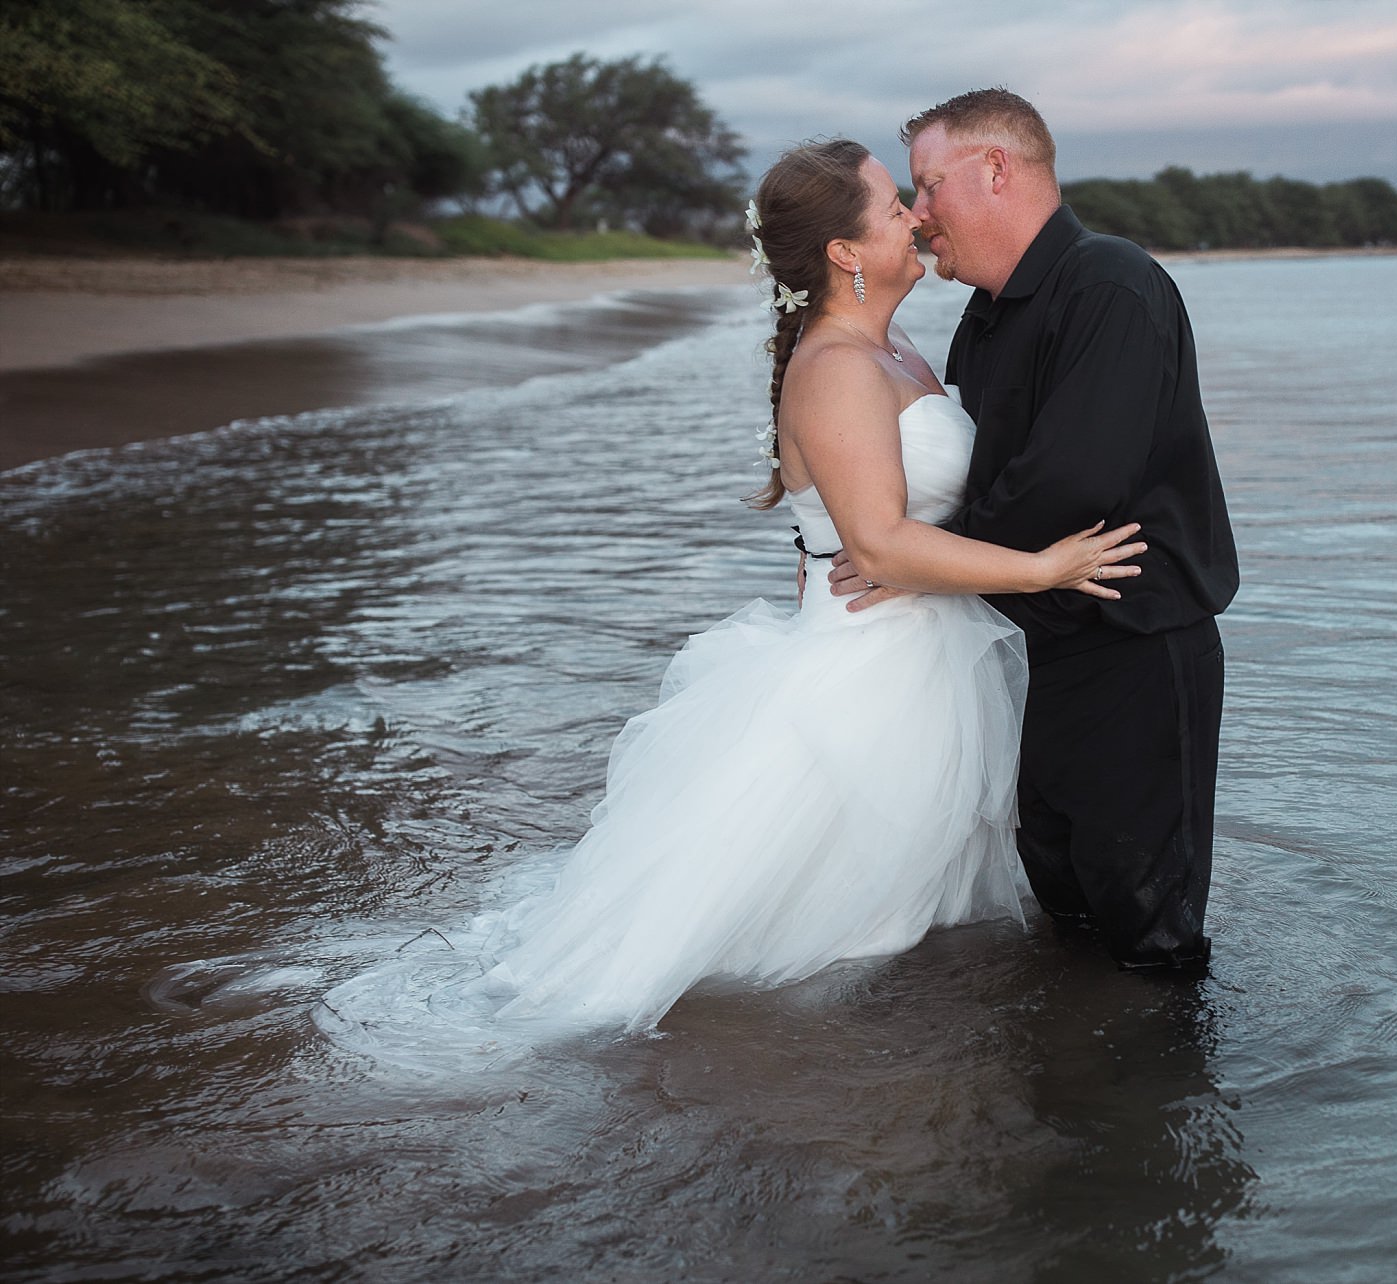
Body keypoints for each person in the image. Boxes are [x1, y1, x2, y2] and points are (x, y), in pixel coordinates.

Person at [317, 138, 1146, 1040]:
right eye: (894, 205)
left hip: (923, 654)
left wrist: (882, 543)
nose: (917, 215)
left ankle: (901, 1050)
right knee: (835, 929)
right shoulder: (836, 367)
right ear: (842, 251)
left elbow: (877, 518)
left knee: (908, 915)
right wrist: (1044, 568)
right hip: (872, 673)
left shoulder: (892, 345)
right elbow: (882, 545)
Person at [831, 90, 1238, 973]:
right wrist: (890, 549)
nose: (921, 214)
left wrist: (917, 562)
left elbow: (1074, 480)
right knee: (1064, 904)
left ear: (996, 170)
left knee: (1149, 927)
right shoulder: (985, 315)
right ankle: (1072, 1093)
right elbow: (975, 476)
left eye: (929, 187)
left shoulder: (1113, 284)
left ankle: (1166, 1100)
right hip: (1024, 650)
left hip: (1130, 646)